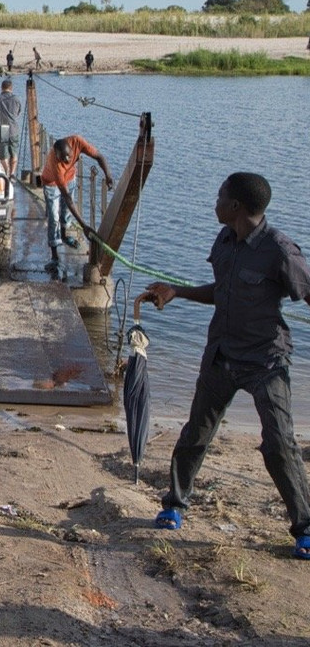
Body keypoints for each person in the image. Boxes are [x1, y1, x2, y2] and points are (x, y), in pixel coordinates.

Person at [141, 173, 310, 560]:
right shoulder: (225, 240)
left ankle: (305, 527)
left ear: (235, 206)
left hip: (266, 360)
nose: (214, 202)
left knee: (280, 443)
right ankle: (174, 504)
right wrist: (177, 292)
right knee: (195, 434)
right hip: (221, 355)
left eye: (219, 196)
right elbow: (223, 290)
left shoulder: (280, 251)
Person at [40, 136, 114, 272]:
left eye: (69, 156)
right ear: (57, 156)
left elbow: (99, 156)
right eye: (63, 159)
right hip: (51, 183)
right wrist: (84, 226)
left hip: (70, 178)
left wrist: (108, 174)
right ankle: (55, 256)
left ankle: (64, 235)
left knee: (66, 214)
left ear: (72, 148)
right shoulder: (55, 164)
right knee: (54, 217)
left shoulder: (77, 141)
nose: (68, 160)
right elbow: (68, 199)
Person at [0, 79, 22, 178]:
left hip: (1, 129)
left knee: (3, 155)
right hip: (13, 129)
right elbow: (18, 113)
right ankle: (12, 173)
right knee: (14, 152)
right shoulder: (17, 99)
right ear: (11, 88)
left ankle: (6, 170)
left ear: (1, 88)